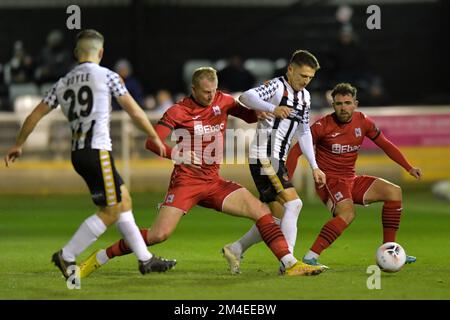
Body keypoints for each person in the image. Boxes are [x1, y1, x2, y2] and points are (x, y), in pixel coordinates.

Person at [79, 67, 327, 277]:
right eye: (206, 92)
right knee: (158, 235)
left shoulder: (223, 100)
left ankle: (289, 263)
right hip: (186, 182)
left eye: (214, 91)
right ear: (193, 89)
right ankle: (99, 257)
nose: (211, 96)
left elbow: (250, 115)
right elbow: (152, 142)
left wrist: (262, 110)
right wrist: (176, 154)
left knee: (261, 211)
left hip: (213, 182)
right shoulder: (177, 111)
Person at [4, 29, 176, 279]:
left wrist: (18, 144)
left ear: (76, 53)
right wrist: (153, 136)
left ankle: (145, 259)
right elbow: (135, 111)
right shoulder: (107, 76)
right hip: (97, 152)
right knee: (111, 211)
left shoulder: (62, 82)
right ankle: (67, 255)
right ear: (101, 52)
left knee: (123, 201)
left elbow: (34, 115)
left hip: (79, 153)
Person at [285, 82, 421, 267]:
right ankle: (311, 256)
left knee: (394, 192)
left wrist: (408, 167)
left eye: (347, 103)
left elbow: (385, 144)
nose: (343, 107)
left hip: (350, 179)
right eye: (339, 104)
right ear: (333, 105)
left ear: (355, 104)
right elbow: (295, 152)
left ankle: (389, 249)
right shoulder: (322, 126)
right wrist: (286, 180)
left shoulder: (363, 121)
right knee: (348, 214)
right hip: (329, 182)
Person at [221, 50, 326, 274]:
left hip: (278, 159)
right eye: (302, 76)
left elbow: (304, 131)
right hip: (264, 156)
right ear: (290, 70)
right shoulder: (277, 86)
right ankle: (289, 264)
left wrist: (315, 166)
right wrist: (271, 108)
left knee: (277, 219)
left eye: (310, 78)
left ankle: (236, 248)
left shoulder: (305, 97)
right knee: (294, 204)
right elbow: (246, 96)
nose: (305, 81)